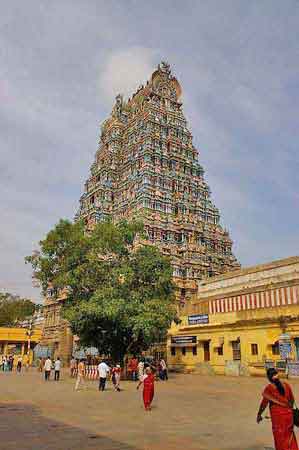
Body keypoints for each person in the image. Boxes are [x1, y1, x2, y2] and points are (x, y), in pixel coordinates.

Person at [257, 368, 298, 450]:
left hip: (278, 419)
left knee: (280, 439)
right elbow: (292, 400)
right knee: (289, 436)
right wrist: (288, 411)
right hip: (289, 417)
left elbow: (264, 404)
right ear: (277, 375)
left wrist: (259, 414)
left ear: (269, 377)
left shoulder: (270, 388)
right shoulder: (286, 385)